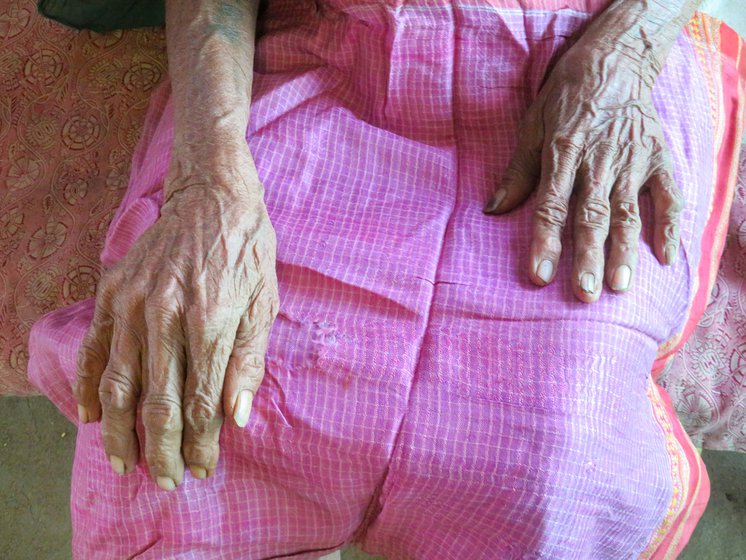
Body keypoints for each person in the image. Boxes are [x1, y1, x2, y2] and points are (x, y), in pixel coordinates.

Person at [28, 0, 744, 557]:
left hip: (582, 58)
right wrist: (208, 182)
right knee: (173, 414)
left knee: (561, 468)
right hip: (330, 43)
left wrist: (623, 59)